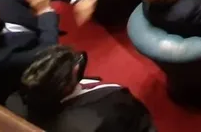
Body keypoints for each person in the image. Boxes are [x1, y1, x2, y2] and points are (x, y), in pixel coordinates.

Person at [8, 46, 155, 132]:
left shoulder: (13, 103)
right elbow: (139, 119)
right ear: (65, 88)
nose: (78, 64)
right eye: (74, 68)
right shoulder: (112, 102)